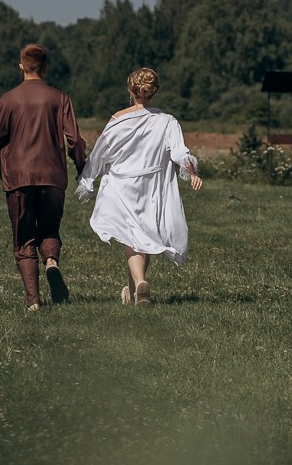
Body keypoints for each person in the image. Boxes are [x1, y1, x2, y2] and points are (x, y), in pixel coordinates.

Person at [77, 67, 203, 305]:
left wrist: (87, 177)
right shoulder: (167, 121)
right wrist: (191, 171)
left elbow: (100, 152)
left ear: (130, 90)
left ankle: (140, 281)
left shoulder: (117, 119)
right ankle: (134, 291)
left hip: (122, 185)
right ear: (154, 91)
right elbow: (179, 151)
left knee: (133, 237)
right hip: (151, 188)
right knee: (140, 236)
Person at [0, 43, 88, 311]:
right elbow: (74, 139)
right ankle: (51, 262)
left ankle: (33, 302)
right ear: (46, 67)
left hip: (18, 177)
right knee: (50, 229)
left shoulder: (8, 100)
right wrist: (80, 166)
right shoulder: (60, 98)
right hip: (53, 176)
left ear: (21, 67)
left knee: (24, 239)